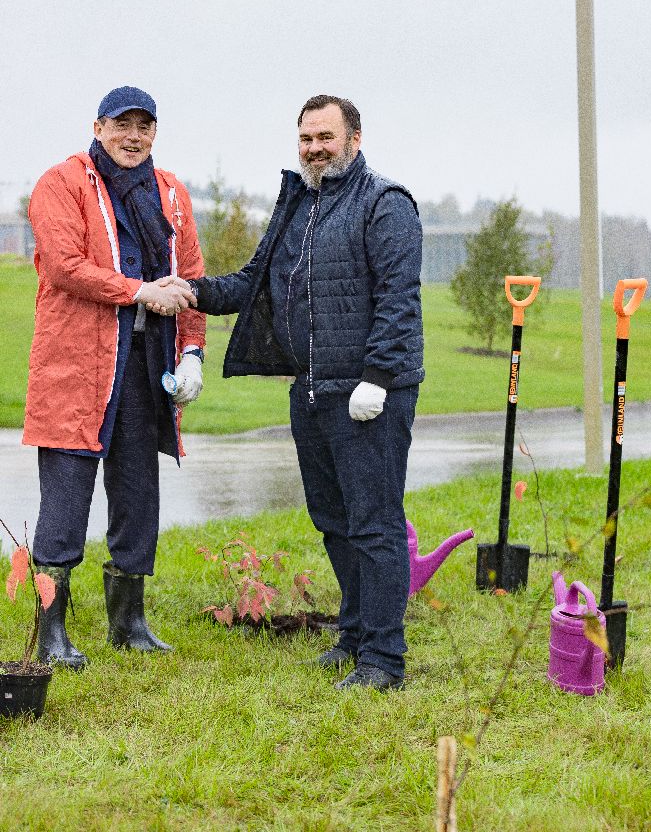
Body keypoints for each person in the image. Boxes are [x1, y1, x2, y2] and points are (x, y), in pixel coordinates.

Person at [170, 95, 424, 691]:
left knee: (375, 524)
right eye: (306, 138)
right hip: (312, 392)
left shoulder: (385, 204)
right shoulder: (299, 207)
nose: (314, 148)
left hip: (368, 395)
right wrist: (189, 291)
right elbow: (252, 284)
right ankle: (355, 636)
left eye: (325, 137)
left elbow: (398, 301)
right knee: (334, 520)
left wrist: (379, 379)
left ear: (354, 140)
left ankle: (384, 660)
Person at [22, 85, 205, 669]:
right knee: (66, 499)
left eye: (144, 127)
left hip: (146, 368)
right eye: (121, 125)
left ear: (155, 132)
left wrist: (193, 351)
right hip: (78, 368)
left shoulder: (171, 192)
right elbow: (63, 265)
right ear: (97, 127)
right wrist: (137, 291)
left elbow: (191, 275)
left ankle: (128, 623)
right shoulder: (62, 183)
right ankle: (52, 631)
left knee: (137, 494)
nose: (133, 137)